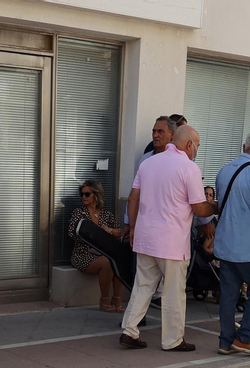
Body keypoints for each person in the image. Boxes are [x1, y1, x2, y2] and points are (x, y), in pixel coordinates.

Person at [120, 124, 214, 352]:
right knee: (173, 292)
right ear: (189, 144)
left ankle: (129, 331)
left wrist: (132, 227)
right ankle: (172, 340)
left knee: (143, 286)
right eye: (198, 146)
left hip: (145, 237)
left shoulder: (149, 162)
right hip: (172, 242)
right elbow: (200, 208)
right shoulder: (189, 168)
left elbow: (133, 198)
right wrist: (217, 206)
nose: (197, 150)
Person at [211, 130, 250, 356]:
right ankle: (246, 338)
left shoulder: (224, 171)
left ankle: (225, 341)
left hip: (225, 245)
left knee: (228, 294)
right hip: (248, 248)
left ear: (243, 147)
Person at [69, 180, 124, 312]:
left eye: (87, 194)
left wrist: (109, 231)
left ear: (96, 195)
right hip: (83, 254)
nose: (83, 197)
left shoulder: (106, 215)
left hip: (103, 253)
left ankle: (117, 299)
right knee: (108, 262)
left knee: (120, 261)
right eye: (81, 194)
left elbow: (121, 233)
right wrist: (90, 233)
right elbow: (71, 233)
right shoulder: (79, 213)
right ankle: (104, 299)